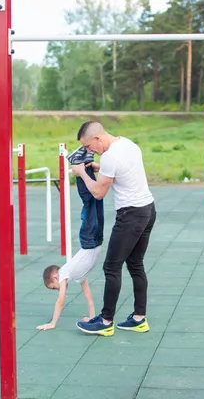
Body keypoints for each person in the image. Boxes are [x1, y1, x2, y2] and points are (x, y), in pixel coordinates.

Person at [70, 120, 156, 337]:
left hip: (131, 216)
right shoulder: (128, 144)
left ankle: (106, 321)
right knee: (135, 263)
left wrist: (81, 173)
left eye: (89, 147)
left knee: (111, 267)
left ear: (98, 138)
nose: (90, 151)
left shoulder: (109, 156)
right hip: (148, 210)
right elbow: (123, 171)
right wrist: (100, 169)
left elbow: (98, 193)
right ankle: (139, 319)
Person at [36, 146, 104, 331]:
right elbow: (89, 298)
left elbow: (60, 302)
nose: (58, 289)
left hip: (89, 239)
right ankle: (86, 162)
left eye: (54, 286)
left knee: (89, 201)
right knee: (97, 199)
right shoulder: (79, 275)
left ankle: (76, 163)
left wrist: (52, 323)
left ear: (56, 277)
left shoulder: (65, 274)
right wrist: (91, 318)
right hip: (96, 240)